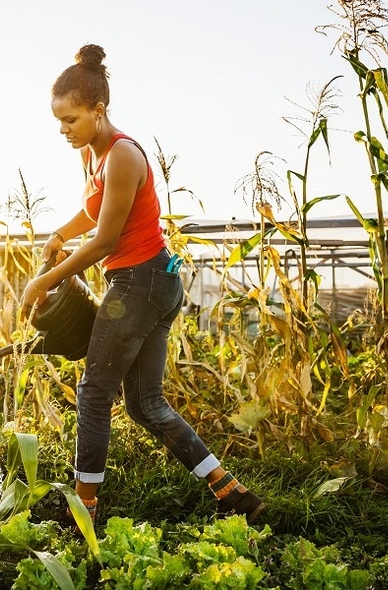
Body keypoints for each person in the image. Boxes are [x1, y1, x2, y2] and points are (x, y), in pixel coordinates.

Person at [20, 44, 264, 525]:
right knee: (145, 405)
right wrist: (58, 236)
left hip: (140, 283)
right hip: (147, 283)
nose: (63, 130)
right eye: (59, 121)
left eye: (70, 119)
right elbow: (94, 212)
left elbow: (107, 238)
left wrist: (43, 281)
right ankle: (232, 493)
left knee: (93, 393)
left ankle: (82, 510)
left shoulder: (123, 156)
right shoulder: (92, 155)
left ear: (98, 110)